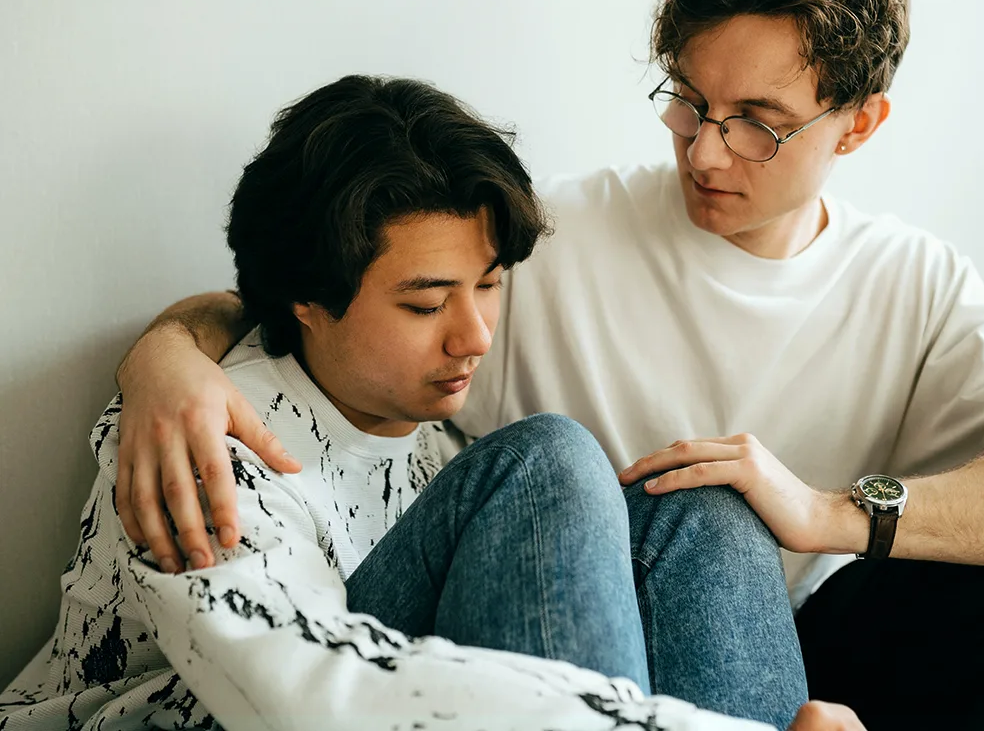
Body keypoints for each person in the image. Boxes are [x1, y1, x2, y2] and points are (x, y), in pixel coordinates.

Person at [107, 0, 984, 731]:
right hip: (558, 627)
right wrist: (165, 352)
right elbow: (319, 288)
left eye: (757, 123)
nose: (705, 150)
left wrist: (826, 513)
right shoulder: (547, 235)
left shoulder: (914, 281)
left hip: (753, 634)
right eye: (689, 101)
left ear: (858, 126)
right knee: (593, 465)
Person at [0, 76, 836, 730]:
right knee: (549, 457)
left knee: (704, 501)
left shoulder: (434, 447)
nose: (474, 335)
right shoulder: (201, 436)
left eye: (490, 285)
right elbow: (307, 695)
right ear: (305, 298)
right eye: (427, 304)